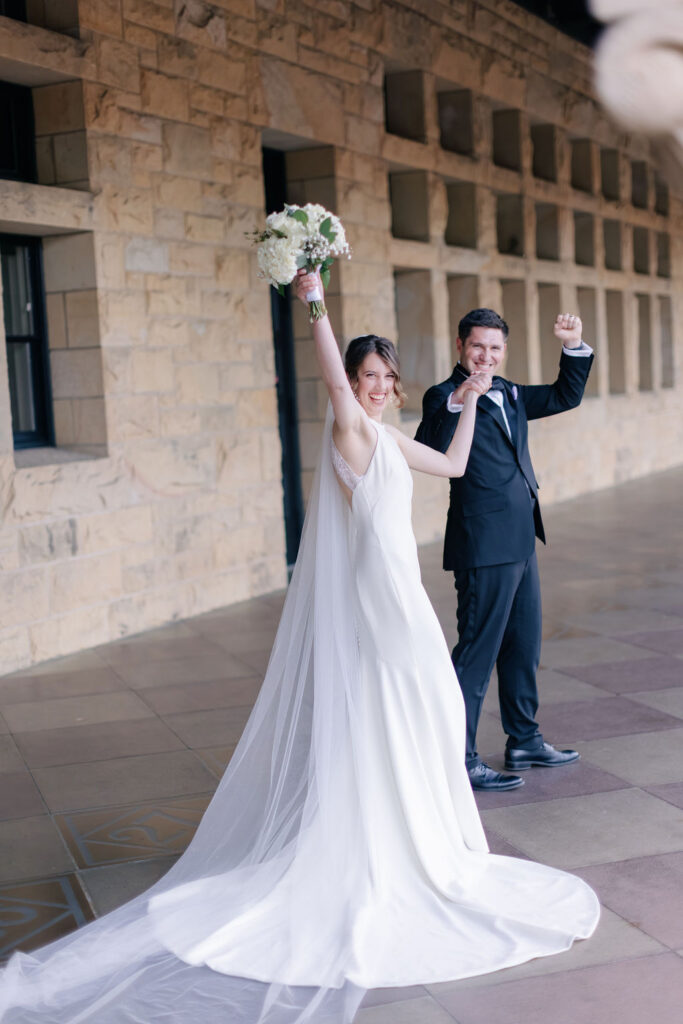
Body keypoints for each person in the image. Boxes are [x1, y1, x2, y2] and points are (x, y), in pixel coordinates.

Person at [0, 275, 599, 1024]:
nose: (378, 387)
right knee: (424, 699)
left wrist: (473, 403)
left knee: (420, 707)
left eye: (386, 376)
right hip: (378, 599)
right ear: (350, 384)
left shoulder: (386, 435)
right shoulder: (349, 424)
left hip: (401, 595)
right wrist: (313, 297)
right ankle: (384, 842)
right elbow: (325, 363)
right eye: (367, 377)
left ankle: (412, 832)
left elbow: (448, 467)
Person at [416, 308, 594, 792]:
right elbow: (429, 445)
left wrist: (573, 345)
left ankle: (524, 739)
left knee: (522, 646)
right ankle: (458, 755)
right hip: (482, 545)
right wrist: (460, 398)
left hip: (520, 540)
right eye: (478, 347)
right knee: (476, 653)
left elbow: (564, 395)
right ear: (460, 346)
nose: (486, 356)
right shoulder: (442, 396)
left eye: (495, 348)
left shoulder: (511, 391)